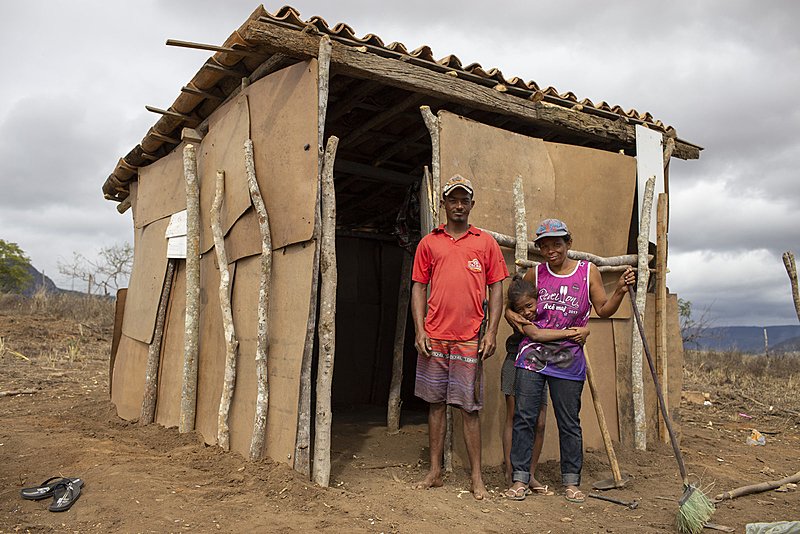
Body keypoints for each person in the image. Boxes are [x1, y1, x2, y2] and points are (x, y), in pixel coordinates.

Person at [504, 218, 635, 503]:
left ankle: (571, 481)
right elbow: (512, 304)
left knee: (569, 422)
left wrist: (620, 291)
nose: (551, 251)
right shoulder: (535, 274)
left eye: (557, 244)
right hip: (533, 356)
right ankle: (520, 479)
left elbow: (603, 309)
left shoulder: (588, 272)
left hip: (568, 360)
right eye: (545, 246)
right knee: (524, 417)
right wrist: (511, 315)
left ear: (568, 243)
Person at [411, 174, 508, 500]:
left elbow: (496, 288)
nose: (458, 205)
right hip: (435, 336)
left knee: (469, 409)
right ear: (443, 204)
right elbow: (418, 287)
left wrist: (491, 332)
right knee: (436, 405)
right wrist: (420, 329)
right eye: (452, 200)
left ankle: (476, 478)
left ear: (471, 204)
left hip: (470, 338)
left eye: (464, 200)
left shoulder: (485, 243)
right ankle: (435, 471)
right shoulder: (429, 243)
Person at [501, 283, 551, 495]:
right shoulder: (516, 317)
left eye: (529, 306)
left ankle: (529, 474)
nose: (526, 312)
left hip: (540, 364)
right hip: (515, 361)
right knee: (514, 417)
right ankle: (511, 472)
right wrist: (509, 311)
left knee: (540, 422)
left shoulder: (549, 310)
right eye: (520, 309)